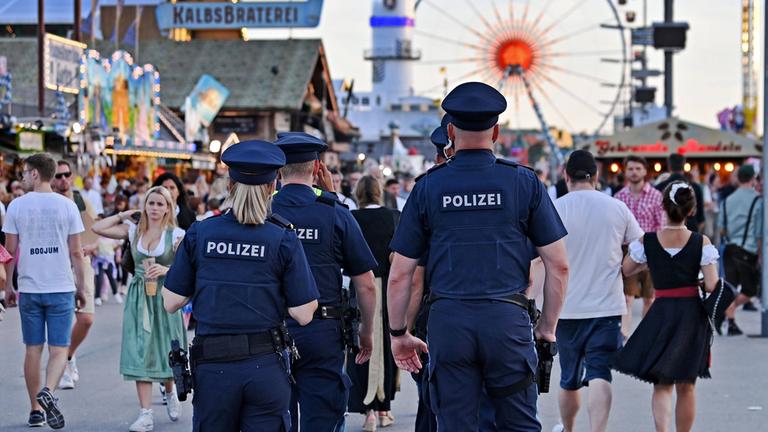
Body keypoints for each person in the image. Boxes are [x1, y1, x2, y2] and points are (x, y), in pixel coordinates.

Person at [387, 82, 569, 431]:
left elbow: (401, 274)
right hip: (507, 320)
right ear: (496, 131)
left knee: (455, 423)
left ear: (451, 131)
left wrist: (399, 333)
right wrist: (547, 328)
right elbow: (557, 264)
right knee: (518, 423)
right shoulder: (524, 183)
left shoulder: (427, 187)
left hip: (448, 322)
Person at [162, 139, 320, 431]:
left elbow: (171, 301)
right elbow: (304, 313)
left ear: (230, 186)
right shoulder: (283, 237)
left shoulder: (200, 233)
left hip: (213, 367)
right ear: (273, 186)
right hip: (265, 366)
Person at [272, 132, 378, 431]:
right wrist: (366, 332)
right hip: (322, 329)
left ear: (279, 169)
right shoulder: (335, 213)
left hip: (270, 329)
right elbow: (366, 284)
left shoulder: (263, 211)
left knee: (274, 414)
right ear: (318, 168)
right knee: (323, 416)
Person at [550, 150, 643, 432]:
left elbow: (538, 257)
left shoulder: (555, 208)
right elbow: (641, 248)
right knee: (601, 372)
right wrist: (626, 268)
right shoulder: (616, 207)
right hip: (607, 307)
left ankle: (568, 428)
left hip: (566, 309)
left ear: (566, 176)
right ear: (597, 177)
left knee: (569, 378)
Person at [615, 181, 719, 432]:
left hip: (661, 312)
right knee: (687, 384)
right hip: (691, 314)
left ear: (663, 207)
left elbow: (627, 269)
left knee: (662, 383)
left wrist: (648, 263)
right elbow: (712, 285)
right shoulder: (700, 242)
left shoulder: (647, 241)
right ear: (691, 210)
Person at [2, 153, 88, 429]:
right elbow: (76, 251)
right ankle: (49, 390)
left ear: (35, 174)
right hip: (61, 285)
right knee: (59, 349)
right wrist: (81, 286)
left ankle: (35, 410)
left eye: (25, 173)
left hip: (29, 286)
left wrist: (8, 287)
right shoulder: (67, 207)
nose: (23, 177)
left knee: (33, 349)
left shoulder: (16, 206)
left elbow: (10, 253)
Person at [92, 186, 187, 432]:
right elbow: (97, 228)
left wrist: (168, 270)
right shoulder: (134, 230)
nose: (155, 208)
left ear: (168, 208)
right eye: (151, 203)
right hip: (138, 297)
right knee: (140, 350)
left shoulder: (177, 235)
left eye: (160, 204)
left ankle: (170, 390)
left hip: (165, 297)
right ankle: (146, 414)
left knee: (167, 349)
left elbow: (190, 269)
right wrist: (126, 214)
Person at [346, 175, 400, 431]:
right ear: (379, 192)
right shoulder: (393, 217)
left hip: (358, 288)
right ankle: (384, 409)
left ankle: (367, 410)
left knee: (359, 346)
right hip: (387, 288)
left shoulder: (351, 218)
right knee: (387, 345)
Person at [52, 160, 99, 390]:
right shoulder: (47, 202)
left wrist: (89, 247)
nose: (62, 179)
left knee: (86, 318)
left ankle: (68, 355)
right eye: (57, 175)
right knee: (60, 320)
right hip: (56, 265)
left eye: (65, 175)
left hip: (81, 262)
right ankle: (61, 369)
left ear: (71, 176)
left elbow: (96, 231)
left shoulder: (80, 200)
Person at [614, 155, 665, 337]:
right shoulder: (619, 197)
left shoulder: (656, 196)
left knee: (649, 297)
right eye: (631, 169)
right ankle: (624, 335)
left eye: (638, 168)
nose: (634, 172)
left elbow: (661, 225)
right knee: (626, 297)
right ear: (625, 171)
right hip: (627, 250)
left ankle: (646, 336)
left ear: (645, 171)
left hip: (651, 249)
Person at [719, 164, 762, 335]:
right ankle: (726, 312)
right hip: (748, 249)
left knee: (731, 286)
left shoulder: (728, 199)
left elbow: (721, 228)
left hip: (730, 248)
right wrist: (760, 254)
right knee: (751, 290)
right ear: (753, 178)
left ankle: (730, 321)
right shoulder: (758, 200)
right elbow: (759, 231)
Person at [655, 154, 705, 232]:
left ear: (669, 166)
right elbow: (701, 219)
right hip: (691, 231)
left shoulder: (659, 188)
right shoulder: (695, 187)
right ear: (683, 166)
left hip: (665, 232)